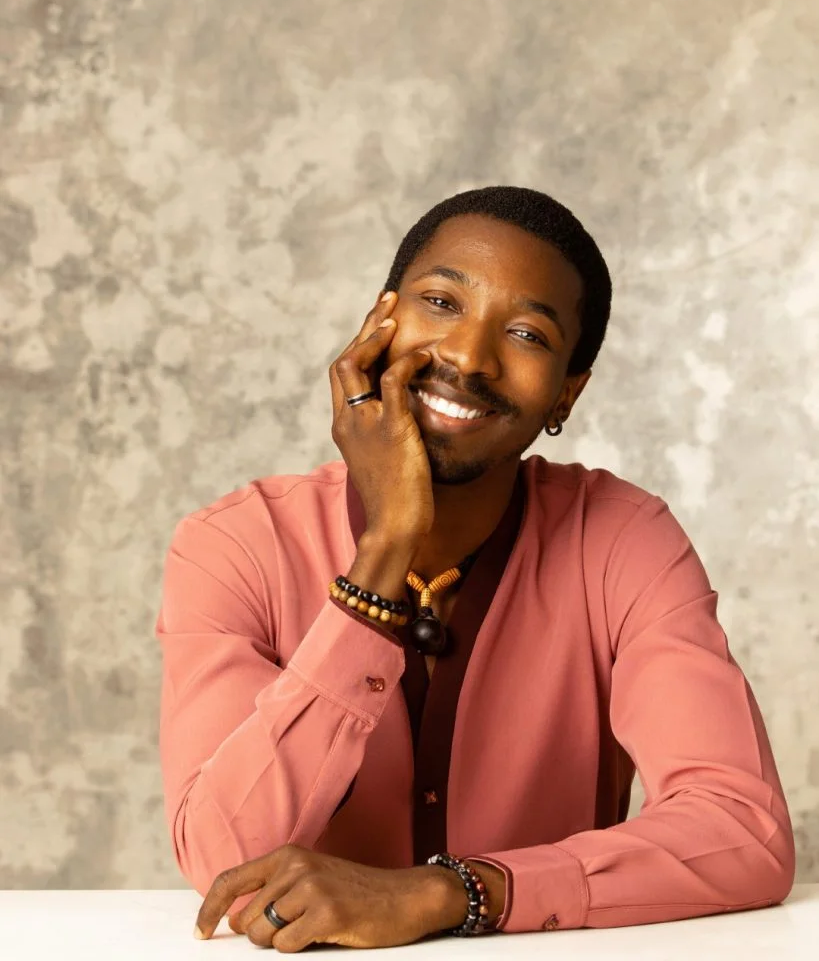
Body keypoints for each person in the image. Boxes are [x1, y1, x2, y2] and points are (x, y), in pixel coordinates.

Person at [156, 186, 795, 952]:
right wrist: (385, 549)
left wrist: (449, 893)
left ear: (565, 392)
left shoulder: (623, 541)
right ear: (378, 323)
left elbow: (741, 830)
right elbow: (223, 861)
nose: (467, 357)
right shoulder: (236, 546)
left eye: (526, 333)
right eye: (440, 302)